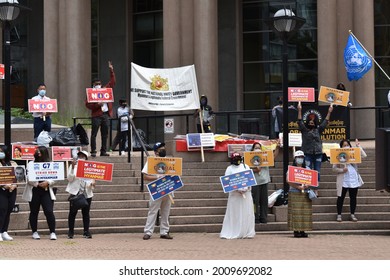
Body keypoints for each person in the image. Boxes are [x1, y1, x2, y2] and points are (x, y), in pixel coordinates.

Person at [297, 102, 333, 195]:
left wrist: (329, 112)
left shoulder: (318, 130)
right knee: (308, 171)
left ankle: (316, 189)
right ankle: (308, 188)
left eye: (313, 122)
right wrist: (299, 110)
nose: (311, 123)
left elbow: (325, 122)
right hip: (307, 153)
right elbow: (299, 121)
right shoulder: (304, 130)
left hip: (318, 153)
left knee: (317, 171)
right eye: (310, 122)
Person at [22, 146, 57, 240]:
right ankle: (34, 232)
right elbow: (28, 177)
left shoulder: (50, 163)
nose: (38, 154)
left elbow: (55, 176)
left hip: (46, 190)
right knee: (34, 211)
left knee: (49, 211)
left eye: (40, 152)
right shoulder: (31, 163)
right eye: (37, 152)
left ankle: (52, 232)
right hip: (34, 190)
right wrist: (37, 184)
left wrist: (48, 182)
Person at [220, 153, 255, 239]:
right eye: (235, 158)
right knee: (235, 214)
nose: (237, 160)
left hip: (246, 194)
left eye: (238, 158)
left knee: (247, 213)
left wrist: (246, 188)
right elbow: (227, 182)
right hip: (235, 195)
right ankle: (234, 230)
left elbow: (250, 179)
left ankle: (246, 231)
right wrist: (236, 189)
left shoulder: (245, 166)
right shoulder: (229, 169)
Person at [142, 142, 173, 240]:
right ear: (156, 152)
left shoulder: (170, 161)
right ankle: (148, 232)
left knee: (166, 211)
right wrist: (156, 177)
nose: (163, 149)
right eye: (161, 148)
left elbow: (176, 174)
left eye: (163, 147)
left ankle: (164, 231)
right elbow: (145, 176)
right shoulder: (150, 162)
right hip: (156, 189)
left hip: (168, 188)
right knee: (153, 211)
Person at [85, 61, 116, 157]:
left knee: (105, 134)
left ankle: (103, 151)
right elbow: (87, 104)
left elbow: (112, 82)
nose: (98, 85)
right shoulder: (91, 93)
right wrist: (97, 105)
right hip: (96, 116)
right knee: (94, 134)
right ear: (93, 85)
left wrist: (111, 70)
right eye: (96, 83)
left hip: (105, 114)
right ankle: (93, 151)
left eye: (99, 83)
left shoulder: (105, 89)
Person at [333, 139, 367, 222]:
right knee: (341, 197)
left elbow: (364, 155)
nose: (346, 147)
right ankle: (339, 215)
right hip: (343, 178)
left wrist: (358, 146)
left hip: (353, 178)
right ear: (341, 147)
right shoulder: (338, 155)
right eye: (344, 145)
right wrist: (342, 170)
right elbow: (334, 168)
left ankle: (352, 214)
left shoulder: (353, 153)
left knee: (353, 197)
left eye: (347, 145)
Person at [66, 150, 96, 239]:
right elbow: (69, 179)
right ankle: (71, 231)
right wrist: (72, 167)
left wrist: (92, 184)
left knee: (86, 213)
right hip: (75, 192)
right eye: (79, 156)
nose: (81, 158)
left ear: (86, 158)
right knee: (72, 213)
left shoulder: (90, 168)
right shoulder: (74, 167)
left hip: (87, 193)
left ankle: (86, 231)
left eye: (83, 156)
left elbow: (93, 180)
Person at [250, 141, 279, 224]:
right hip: (254, 182)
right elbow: (247, 169)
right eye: (256, 148)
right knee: (255, 201)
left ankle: (263, 218)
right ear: (253, 149)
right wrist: (255, 170)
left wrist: (277, 148)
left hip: (264, 181)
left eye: (259, 148)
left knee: (264, 201)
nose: (257, 149)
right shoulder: (250, 158)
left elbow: (273, 157)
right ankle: (255, 218)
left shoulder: (265, 157)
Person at [287, 150, 313, 238]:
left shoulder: (307, 169)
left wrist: (306, 186)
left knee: (304, 212)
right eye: (298, 157)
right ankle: (296, 231)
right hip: (294, 192)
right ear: (295, 159)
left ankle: (303, 230)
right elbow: (288, 180)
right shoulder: (291, 169)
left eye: (301, 157)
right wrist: (297, 187)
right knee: (296, 212)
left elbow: (311, 180)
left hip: (305, 193)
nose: (300, 159)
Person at [0, 145, 18, 241]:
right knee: (2, 210)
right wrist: (3, 185)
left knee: (8, 210)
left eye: (1, 151)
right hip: (1, 190)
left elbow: (19, 176)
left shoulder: (13, 163)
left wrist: (14, 185)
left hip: (12, 190)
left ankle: (4, 231)